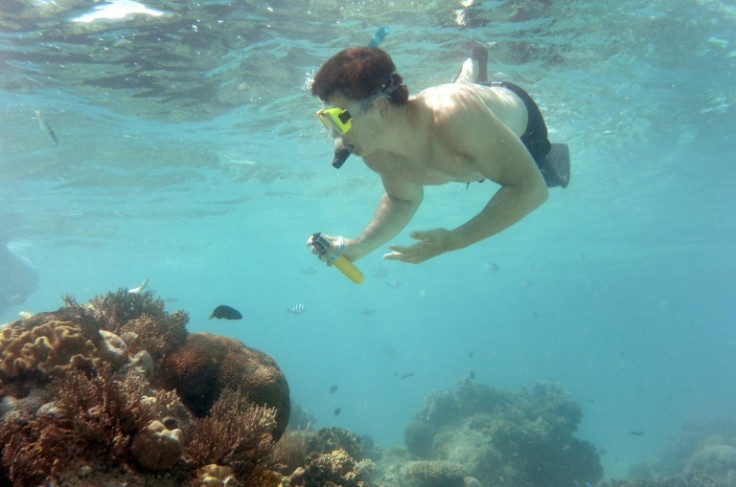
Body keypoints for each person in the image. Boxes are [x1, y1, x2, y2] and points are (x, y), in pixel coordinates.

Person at [308, 44, 569, 265]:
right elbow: (402, 199)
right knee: (462, 119)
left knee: (548, 176)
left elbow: (530, 189)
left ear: (380, 107)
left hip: (521, 123)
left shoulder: (457, 119)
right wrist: (357, 247)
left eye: (339, 119)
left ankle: (475, 65)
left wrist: (454, 240)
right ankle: (473, 66)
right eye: (325, 119)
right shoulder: (374, 151)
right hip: (464, 142)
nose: (335, 136)